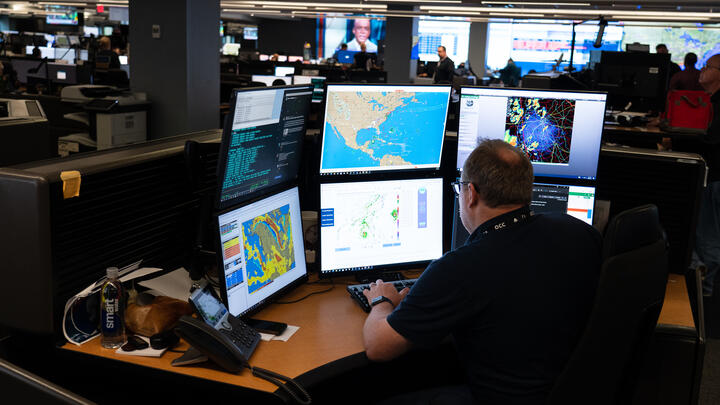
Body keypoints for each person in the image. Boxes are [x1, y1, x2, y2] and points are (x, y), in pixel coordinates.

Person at [362, 139, 602, 404]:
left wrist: (381, 301)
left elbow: (378, 347)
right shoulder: (580, 232)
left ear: (471, 193)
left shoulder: (461, 266)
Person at [694, 54, 720, 297]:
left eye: (708, 66)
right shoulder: (710, 101)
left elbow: (713, 141)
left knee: (708, 232)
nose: (702, 70)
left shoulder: (718, 105)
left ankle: (705, 289)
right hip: (713, 175)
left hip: (716, 177)